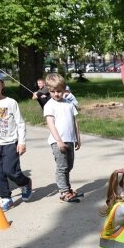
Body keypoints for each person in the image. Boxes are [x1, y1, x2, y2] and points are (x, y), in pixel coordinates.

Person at [0, 72, 31, 212]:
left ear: (2, 85)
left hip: (9, 143)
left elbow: (20, 124)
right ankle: (6, 198)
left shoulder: (10, 102)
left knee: (10, 171)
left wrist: (22, 142)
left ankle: (25, 182)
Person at [43, 73, 82, 203]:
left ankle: (68, 189)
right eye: (52, 91)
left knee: (69, 166)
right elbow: (50, 124)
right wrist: (58, 140)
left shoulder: (69, 104)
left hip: (70, 140)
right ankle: (63, 192)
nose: (56, 94)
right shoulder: (49, 105)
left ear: (65, 90)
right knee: (62, 167)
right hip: (57, 141)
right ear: (49, 91)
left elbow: (74, 121)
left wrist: (77, 137)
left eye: (59, 91)